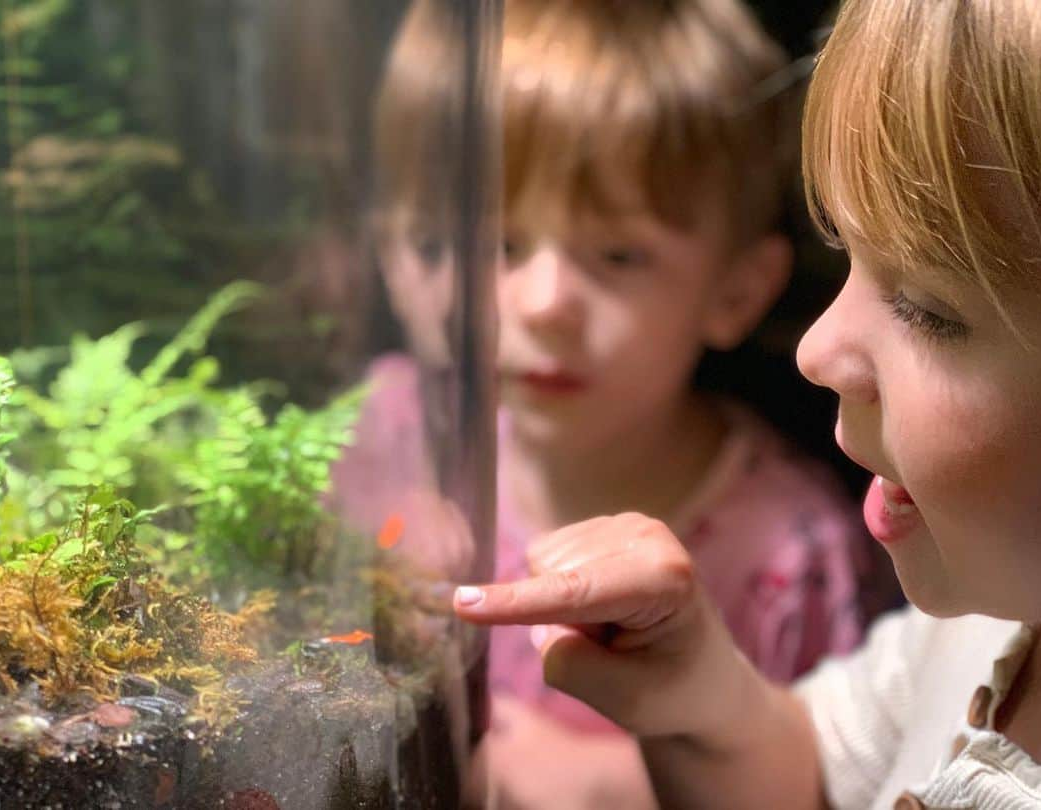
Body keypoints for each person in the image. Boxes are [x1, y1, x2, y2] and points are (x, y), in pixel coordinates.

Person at [455, 0, 1041, 807]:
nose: (815, 349)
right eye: (849, 254)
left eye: (928, 308)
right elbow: (809, 775)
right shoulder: (967, 631)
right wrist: (700, 694)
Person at [339, 0, 870, 806]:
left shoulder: (793, 558)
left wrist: (615, 786)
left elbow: (840, 776)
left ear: (736, 289)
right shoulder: (375, 431)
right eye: (496, 243)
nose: (547, 302)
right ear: (399, 259)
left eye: (619, 253)